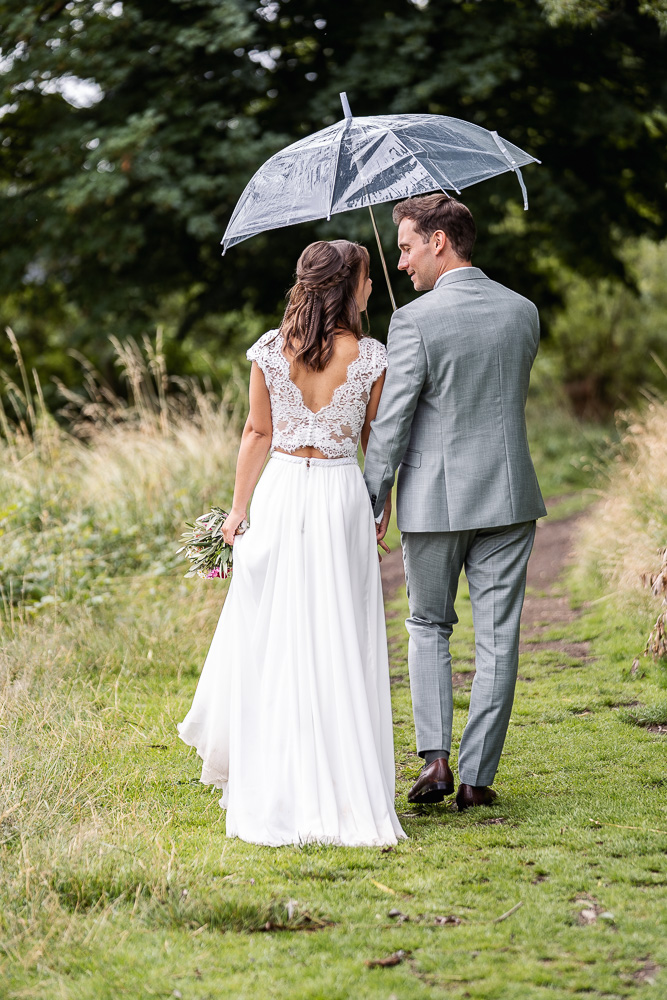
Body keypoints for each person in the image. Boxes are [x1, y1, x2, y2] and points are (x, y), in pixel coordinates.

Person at [178, 239, 406, 847]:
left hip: (278, 494)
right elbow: (374, 439)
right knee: (340, 633)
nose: (371, 288)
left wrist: (238, 510)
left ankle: (274, 781)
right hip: (338, 499)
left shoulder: (270, 349)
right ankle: (343, 780)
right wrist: (379, 504)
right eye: (365, 280)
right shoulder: (371, 355)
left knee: (275, 636)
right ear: (347, 287)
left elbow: (257, 432)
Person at [364, 194, 546, 811]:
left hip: (435, 501)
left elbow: (393, 423)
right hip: (509, 493)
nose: (403, 262)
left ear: (439, 242)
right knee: (499, 637)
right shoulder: (524, 312)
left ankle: (436, 761)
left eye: (408, 247)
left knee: (428, 624)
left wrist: (371, 496)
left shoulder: (413, 320)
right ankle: (476, 777)